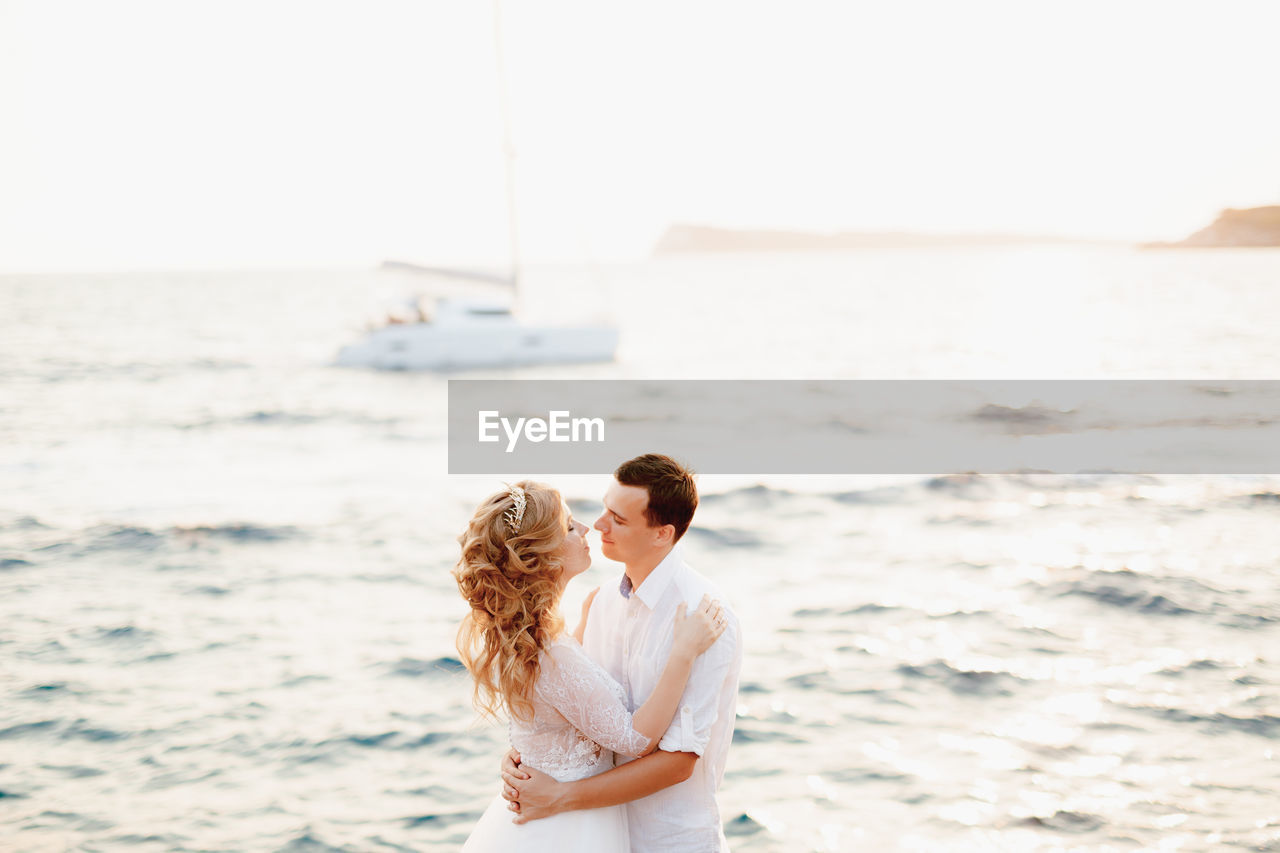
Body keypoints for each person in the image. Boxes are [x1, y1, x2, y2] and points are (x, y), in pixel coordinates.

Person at [454, 480, 727, 852]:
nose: (587, 528)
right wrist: (683, 653)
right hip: (567, 829)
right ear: (543, 557)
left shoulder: (533, 637)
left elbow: (560, 708)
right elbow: (635, 740)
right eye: (568, 526)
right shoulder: (550, 652)